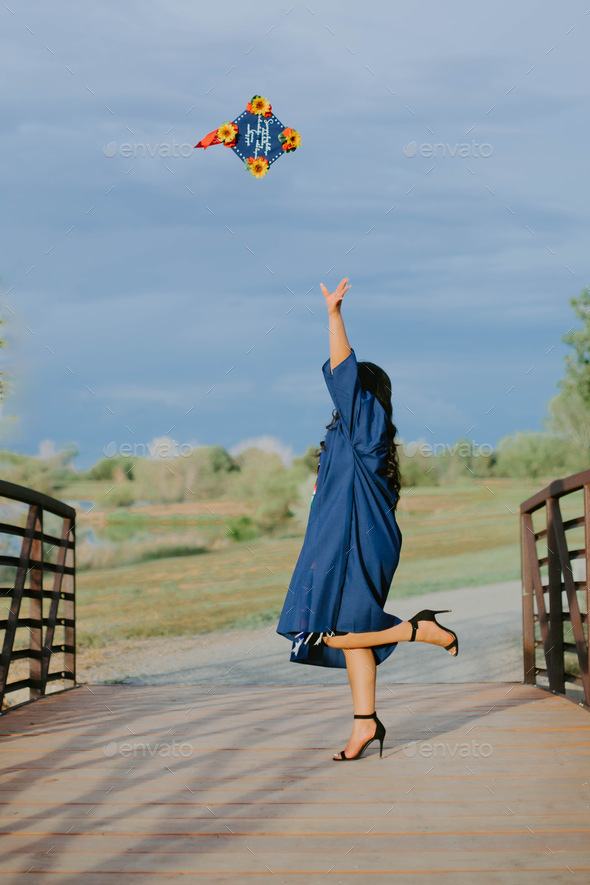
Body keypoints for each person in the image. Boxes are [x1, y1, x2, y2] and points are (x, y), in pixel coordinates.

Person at [276, 277, 458, 762]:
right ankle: (365, 724)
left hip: (359, 544)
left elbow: (341, 372)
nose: (342, 395)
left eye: (352, 390)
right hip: (340, 543)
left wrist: (334, 316)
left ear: (367, 396)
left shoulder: (366, 427)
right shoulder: (346, 437)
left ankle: (414, 630)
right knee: (350, 634)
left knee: (336, 632)